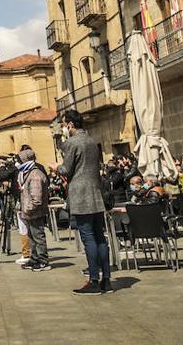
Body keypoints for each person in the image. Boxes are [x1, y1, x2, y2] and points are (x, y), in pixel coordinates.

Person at [57, 109, 111, 295]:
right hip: (95, 193)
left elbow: (66, 169)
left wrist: (55, 167)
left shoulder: (72, 143)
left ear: (70, 124)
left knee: (88, 238)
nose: (64, 128)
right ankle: (107, 280)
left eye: (64, 125)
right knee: (100, 237)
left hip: (81, 194)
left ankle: (94, 280)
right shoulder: (90, 141)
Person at [17, 148, 50, 271]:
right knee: (32, 237)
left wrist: (29, 209)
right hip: (30, 212)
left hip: (35, 212)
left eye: (20, 161)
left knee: (38, 237)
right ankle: (34, 258)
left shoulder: (35, 175)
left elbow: (36, 197)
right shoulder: (29, 173)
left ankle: (43, 261)